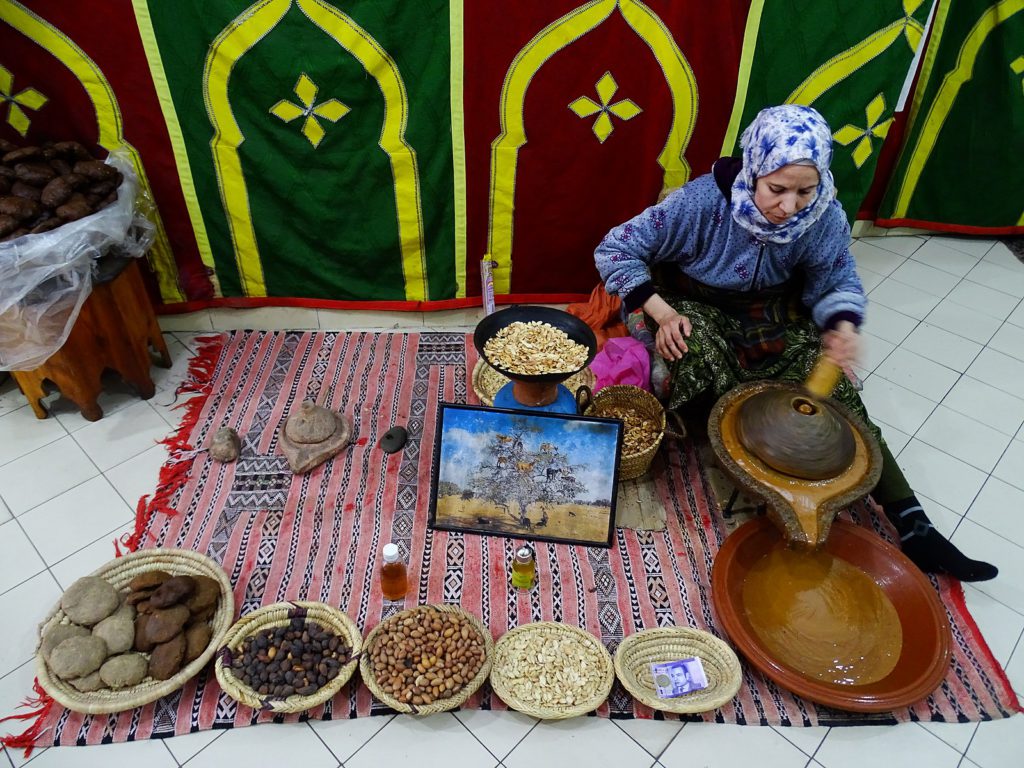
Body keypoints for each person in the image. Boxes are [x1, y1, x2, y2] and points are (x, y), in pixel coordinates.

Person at [594, 104, 997, 582]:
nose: (790, 206)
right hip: (692, 301)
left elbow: (835, 278)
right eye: (776, 189)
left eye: (804, 190)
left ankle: (912, 523)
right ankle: (755, 460)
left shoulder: (822, 216)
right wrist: (661, 313)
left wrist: (842, 325)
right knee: (695, 356)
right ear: (754, 170)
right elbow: (615, 247)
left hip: (770, 310)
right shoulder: (702, 203)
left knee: (834, 391)